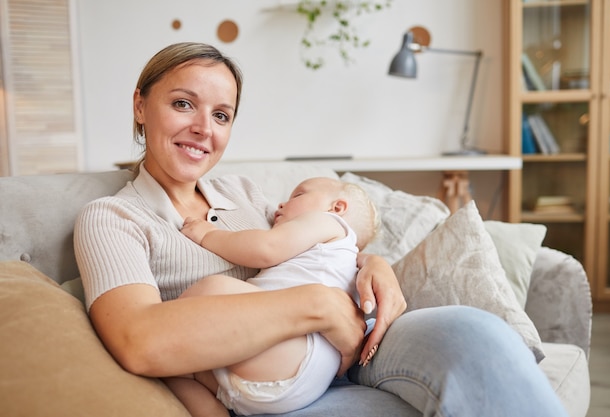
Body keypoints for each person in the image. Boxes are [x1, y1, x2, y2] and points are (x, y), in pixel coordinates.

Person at [74, 41, 569, 417]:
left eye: (221, 114)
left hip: (345, 348)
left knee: (473, 332)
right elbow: (140, 341)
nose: (205, 127)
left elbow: (315, 237)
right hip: (269, 384)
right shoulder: (113, 219)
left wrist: (371, 264)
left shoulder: (243, 194)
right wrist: (318, 306)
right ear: (141, 106)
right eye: (183, 104)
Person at [168, 176, 379, 416]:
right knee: (180, 372)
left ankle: (163, 327)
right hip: (302, 383)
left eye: (298, 195)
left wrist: (208, 235)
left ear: (337, 208)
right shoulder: (342, 258)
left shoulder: (329, 222)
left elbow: (266, 249)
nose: (280, 204)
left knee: (212, 290)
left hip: (293, 349)